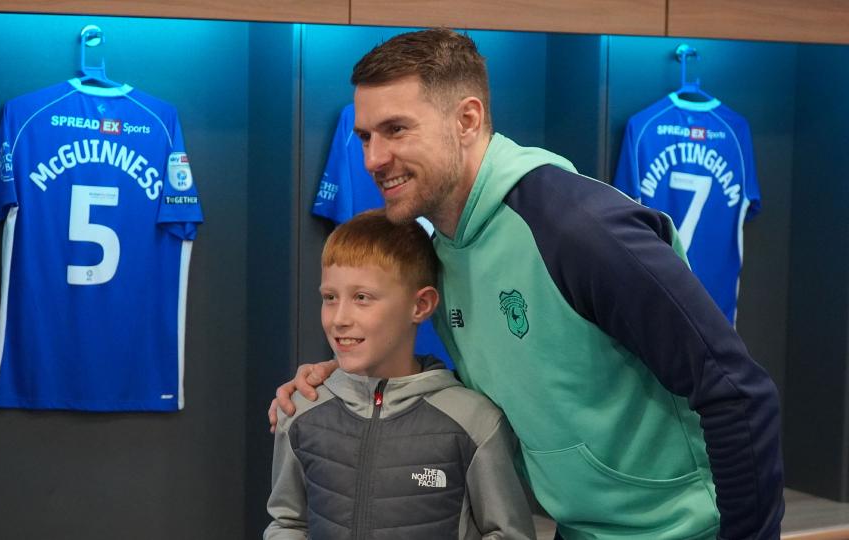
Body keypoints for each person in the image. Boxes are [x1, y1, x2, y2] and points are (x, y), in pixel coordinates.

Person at [270, 28, 784, 540]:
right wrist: (340, 374)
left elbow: (738, 391)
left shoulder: (579, 230)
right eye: (365, 136)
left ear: (467, 120)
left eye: (396, 129)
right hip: (578, 529)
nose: (373, 159)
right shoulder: (443, 247)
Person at [265, 209, 536, 539]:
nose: (339, 319)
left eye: (362, 298)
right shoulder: (299, 410)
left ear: (420, 305)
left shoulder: (475, 422)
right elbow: (288, 522)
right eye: (330, 297)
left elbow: (509, 533)